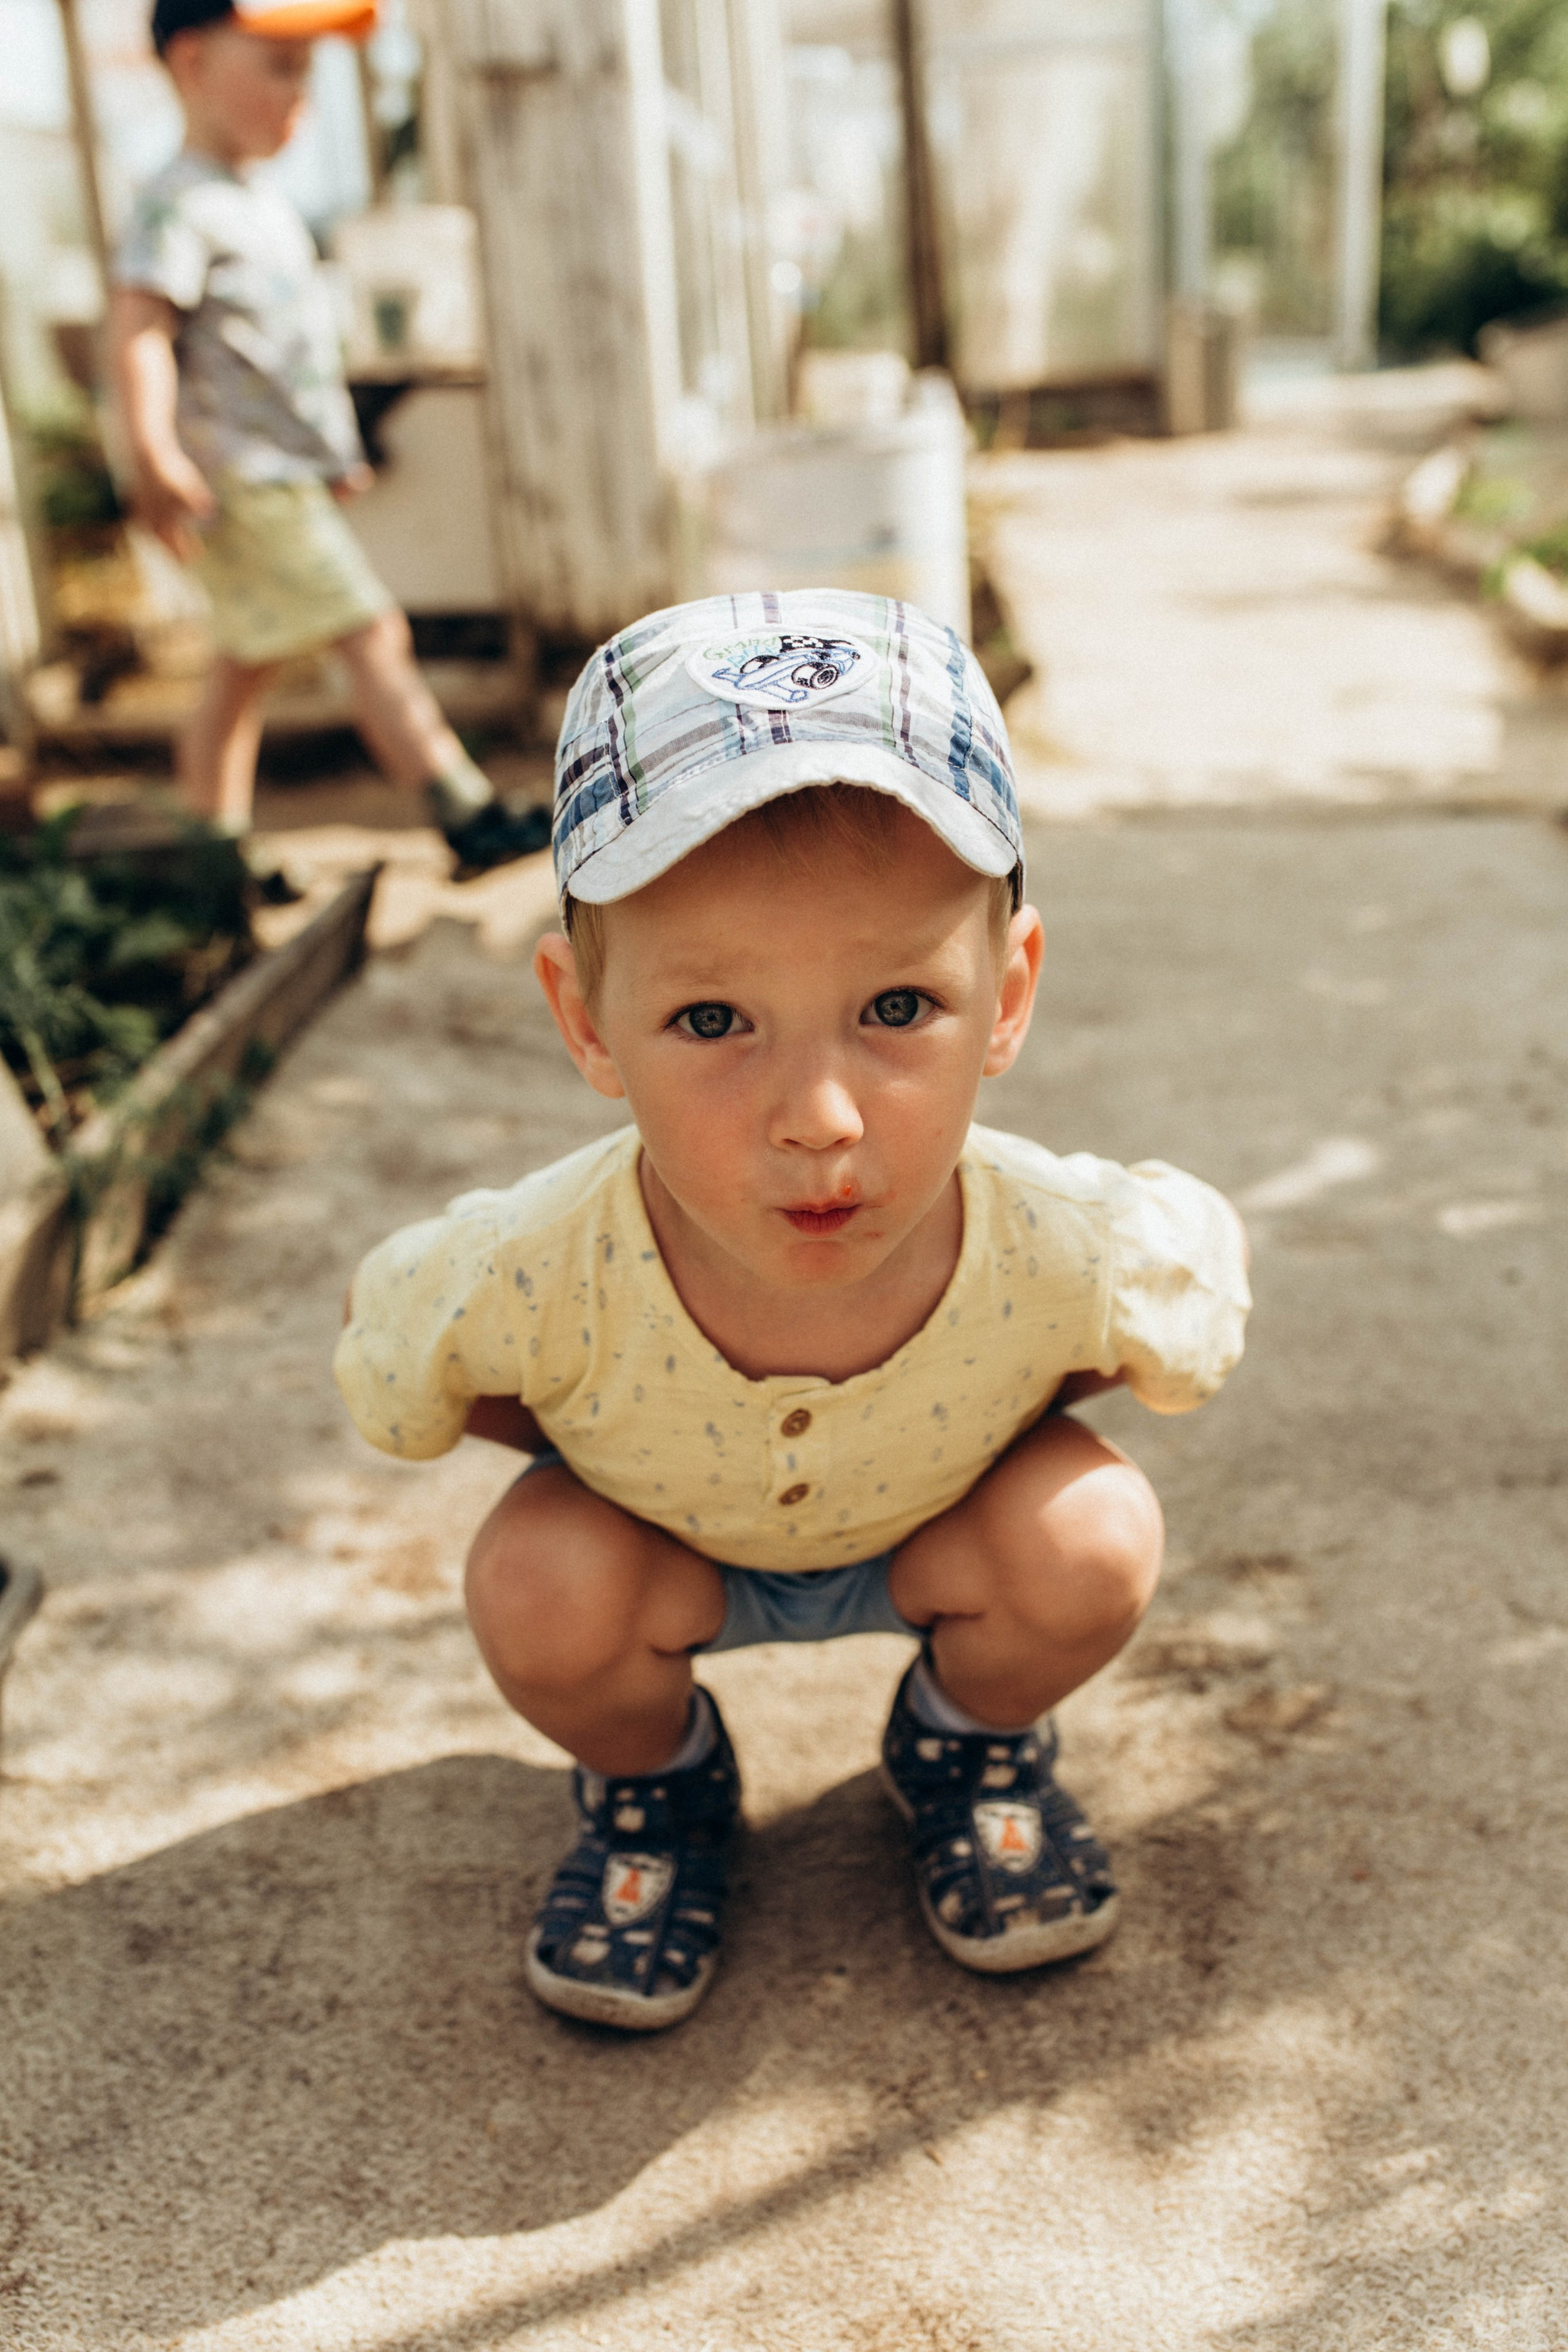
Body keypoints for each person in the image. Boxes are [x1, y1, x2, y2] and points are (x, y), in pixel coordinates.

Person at [335, 590, 1253, 2032]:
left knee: (1089, 1534)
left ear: (1007, 994)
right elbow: (415, 1376)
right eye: (711, 1021)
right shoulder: (535, 1267)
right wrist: (596, 1446)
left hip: (945, 1527)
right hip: (661, 1546)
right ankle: (656, 1782)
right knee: (539, 1581)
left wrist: (1002, 1410)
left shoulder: (1062, 1244)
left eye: (895, 1008)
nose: (817, 1118)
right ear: (585, 1020)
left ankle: (965, 1742)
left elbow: (1160, 1337)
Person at [108, 0, 544, 870]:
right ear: (192, 63)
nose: (300, 92)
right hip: (240, 479)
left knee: (243, 666)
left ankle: (213, 858)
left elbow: (283, 358)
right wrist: (153, 450)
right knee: (371, 631)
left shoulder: (260, 204)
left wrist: (333, 454)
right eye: (279, 68)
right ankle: (464, 811)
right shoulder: (177, 205)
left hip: (282, 475)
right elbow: (141, 332)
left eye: (308, 71)